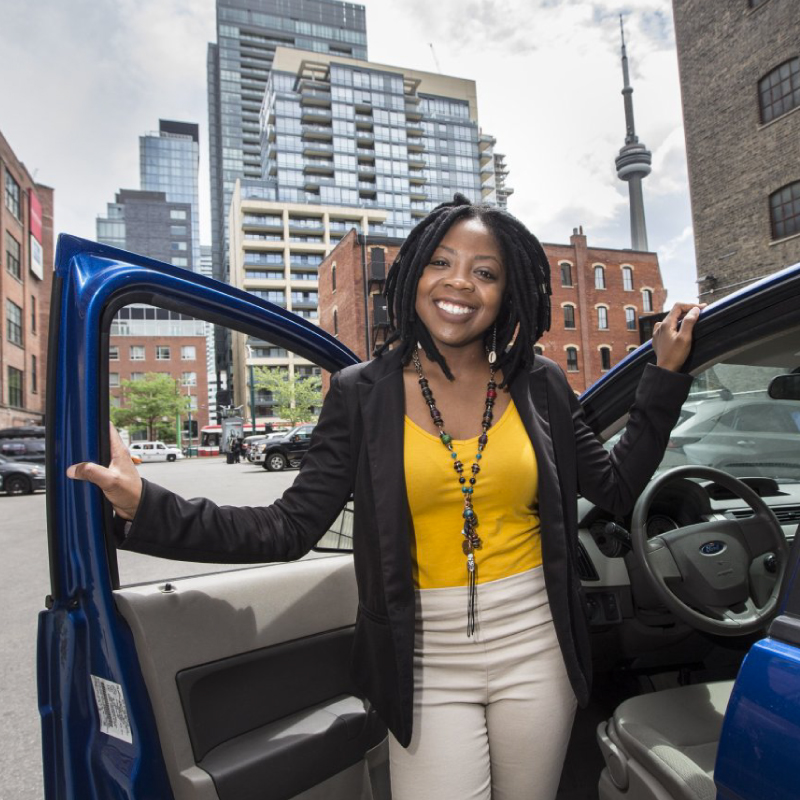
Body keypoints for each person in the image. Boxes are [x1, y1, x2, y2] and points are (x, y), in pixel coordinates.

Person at [68, 194, 701, 800]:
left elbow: (615, 487)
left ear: (507, 292)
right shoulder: (360, 392)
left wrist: (664, 375)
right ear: (413, 275)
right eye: (441, 262)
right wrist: (146, 505)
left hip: (539, 646)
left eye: (485, 272)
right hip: (422, 662)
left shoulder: (542, 384)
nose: (460, 283)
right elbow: (287, 527)